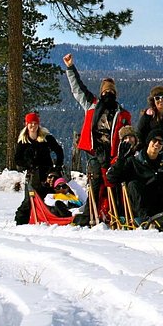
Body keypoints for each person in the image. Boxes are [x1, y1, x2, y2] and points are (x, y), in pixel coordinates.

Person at [63, 52, 132, 222]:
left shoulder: (122, 114)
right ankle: (91, 214)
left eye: (111, 91)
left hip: (113, 155)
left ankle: (116, 213)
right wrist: (70, 68)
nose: (108, 93)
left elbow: (127, 133)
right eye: (105, 91)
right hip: (95, 153)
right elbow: (78, 88)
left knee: (114, 184)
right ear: (101, 93)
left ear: (115, 93)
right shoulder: (92, 105)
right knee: (95, 183)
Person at [106, 130, 163, 226]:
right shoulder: (134, 162)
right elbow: (111, 178)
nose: (157, 144)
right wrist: (120, 160)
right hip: (144, 207)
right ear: (148, 141)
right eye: (154, 140)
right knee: (133, 184)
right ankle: (146, 221)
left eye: (161, 142)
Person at [14, 112, 64, 225]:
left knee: (50, 198)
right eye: (30, 123)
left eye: (35, 123)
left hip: (48, 174)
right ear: (26, 124)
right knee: (29, 201)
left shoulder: (46, 138)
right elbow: (17, 159)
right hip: (33, 174)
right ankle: (21, 223)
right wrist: (28, 165)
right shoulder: (23, 141)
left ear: (38, 125)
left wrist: (58, 166)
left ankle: (53, 218)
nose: (33, 126)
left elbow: (59, 151)